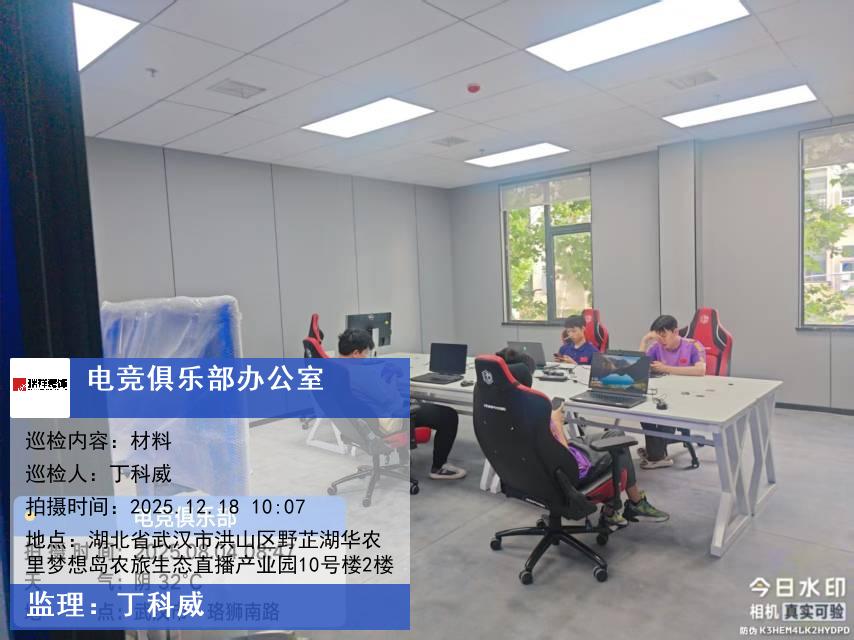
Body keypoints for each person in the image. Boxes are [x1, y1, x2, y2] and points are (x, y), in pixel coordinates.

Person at [496, 347, 669, 526]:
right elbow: (563, 457)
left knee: (615, 434)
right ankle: (624, 507)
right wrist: (557, 423)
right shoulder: (535, 409)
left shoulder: (497, 407)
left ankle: (626, 506)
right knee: (618, 446)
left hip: (526, 472)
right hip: (564, 470)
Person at [338, 329, 466, 480]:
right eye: (366, 353)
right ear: (355, 353)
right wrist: (394, 381)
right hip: (385, 422)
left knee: (414, 403)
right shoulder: (360, 374)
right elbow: (391, 401)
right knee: (448, 415)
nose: (367, 357)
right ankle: (439, 467)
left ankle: (405, 459)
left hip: (360, 425)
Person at [637, 314, 706, 469]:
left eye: (664, 335)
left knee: (665, 410)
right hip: (663, 393)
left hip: (687, 395)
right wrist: (644, 341)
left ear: (675, 332)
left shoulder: (693, 345)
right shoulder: (656, 347)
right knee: (641, 407)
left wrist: (665, 368)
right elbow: (638, 368)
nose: (661, 340)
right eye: (657, 336)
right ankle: (656, 453)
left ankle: (655, 454)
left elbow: (701, 370)